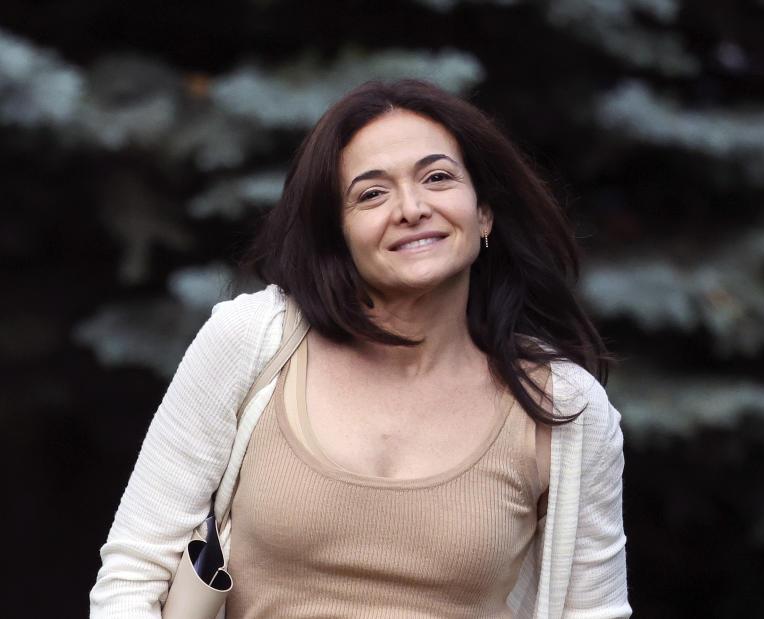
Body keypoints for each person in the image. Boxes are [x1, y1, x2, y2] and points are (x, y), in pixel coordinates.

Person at [90, 79, 630, 618]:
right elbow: (134, 573)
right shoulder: (255, 339)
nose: (412, 208)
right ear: (339, 233)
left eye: (438, 178)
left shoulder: (564, 409)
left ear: (484, 213)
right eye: (372, 193)